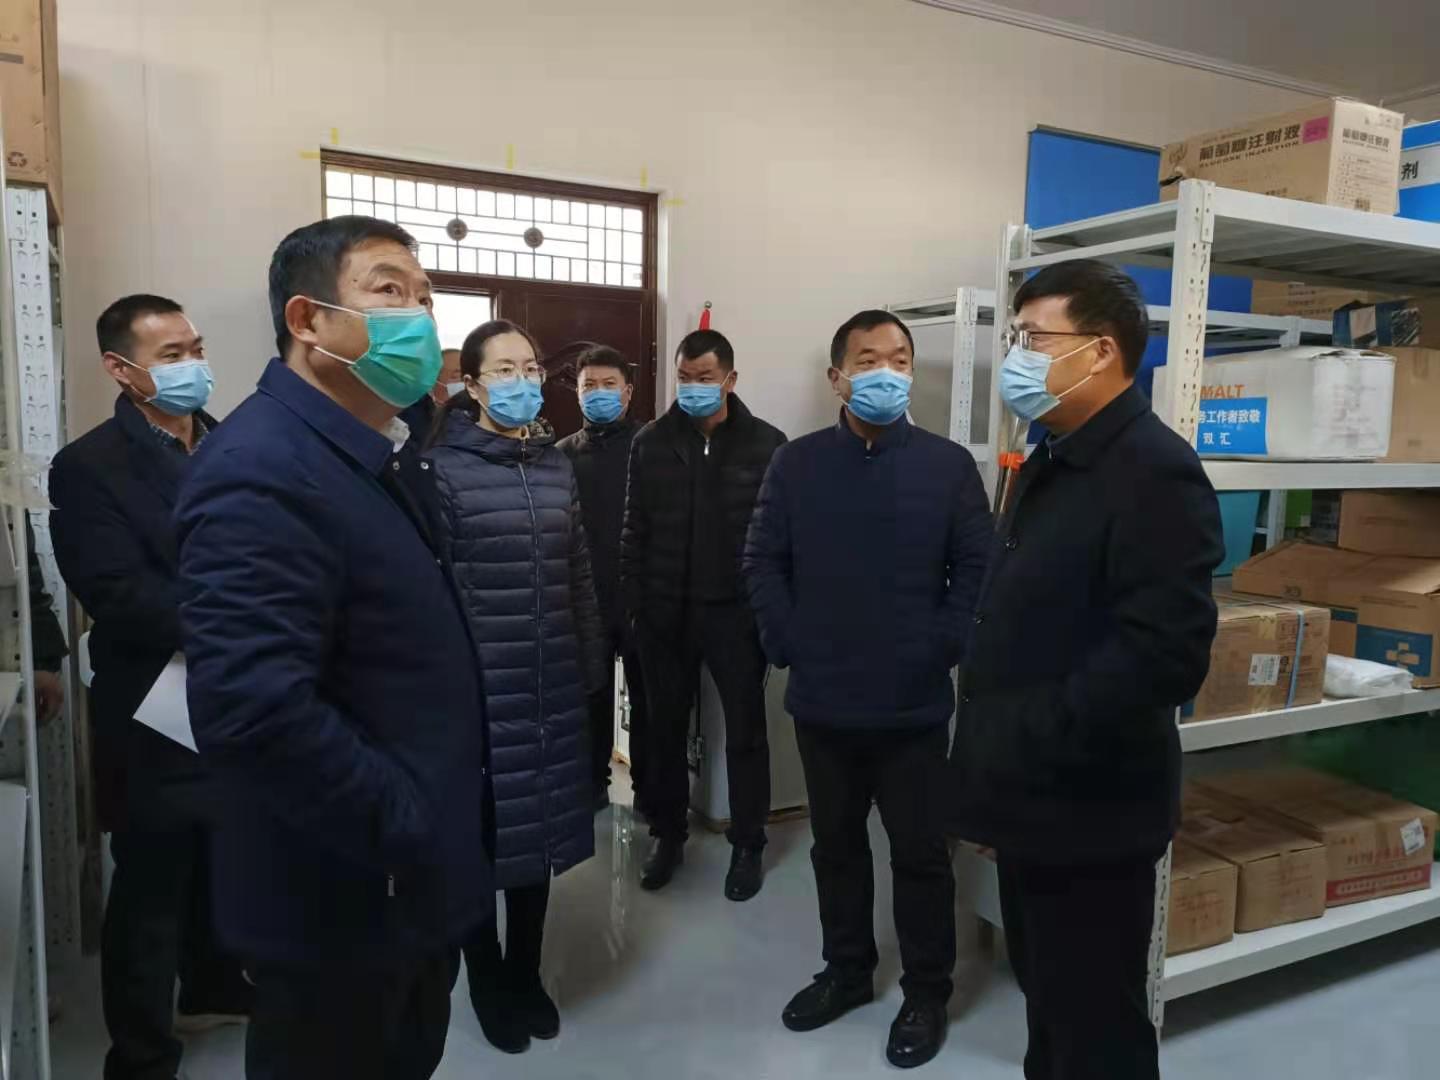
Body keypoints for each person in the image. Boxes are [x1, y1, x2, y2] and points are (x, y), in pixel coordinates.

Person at [174, 217, 492, 1080]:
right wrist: (409, 824)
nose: (419, 317)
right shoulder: (262, 467)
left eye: (426, 298)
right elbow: (254, 712)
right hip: (341, 904)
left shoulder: (367, 452)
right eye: (389, 290)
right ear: (308, 320)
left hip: (400, 892)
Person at [949, 260, 1223, 1080]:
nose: (1018, 357)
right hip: (1035, 798)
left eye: (1034, 338)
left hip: (1092, 813)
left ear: (1101, 350)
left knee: (1096, 1031)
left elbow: (1160, 658)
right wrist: (996, 783)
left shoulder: (1154, 469)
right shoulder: (1056, 457)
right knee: (1051, 1009)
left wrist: (1019, 750)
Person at [744, 310, 991, 1068]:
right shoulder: (797, 464)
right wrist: (790, 645)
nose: (887, 371)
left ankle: (926, 991)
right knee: (837, 847)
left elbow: (975, 570)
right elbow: (763, 561)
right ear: (837, 377)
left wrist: (940, 648)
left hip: (914, 705)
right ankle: (847, 970)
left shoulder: (949, 467)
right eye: (868, 359)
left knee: (919, 854)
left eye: (900, 359)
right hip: (825, 702)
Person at [49, 294, 249, 1080]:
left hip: (240, 693)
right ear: (120, 369)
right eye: (171, 355)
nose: (192, 365)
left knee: (225, 855)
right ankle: (139, 1051)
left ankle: (211, 988)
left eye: (194, 348)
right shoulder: (90, 466)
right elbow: (118, 592)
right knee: (153, 881)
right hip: (156, 699)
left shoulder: (232, 444)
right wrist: (245, 619)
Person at [426, 319, 604, 1054]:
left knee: (540, 835)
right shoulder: (440, 470)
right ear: (471, 385)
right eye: (504, 370)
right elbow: (431, 593)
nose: (522, 381)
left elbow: (578, 571)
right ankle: (487, 981)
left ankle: (525, 973)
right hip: (478, 688)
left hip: (550, 680)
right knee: (478, 843)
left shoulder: (555, 465)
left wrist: (590, 664)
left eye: (530, 367)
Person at [620, 328, 785, 900]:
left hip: (736, 616)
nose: (692, 388)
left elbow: (779, 537)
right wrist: (636, 605)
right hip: (665, 613)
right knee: (664, 729)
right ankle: (668, 835)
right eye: (684, 378)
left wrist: (768, 611)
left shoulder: (767, 444)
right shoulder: (651, 442)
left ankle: (748, 843)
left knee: (746, 733)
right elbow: (633, 529)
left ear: (730, 380)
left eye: (704, 378)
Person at [557, 343, 649, 810]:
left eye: (609, 384)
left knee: (649, 702)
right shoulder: (559, 456)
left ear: (627, 392)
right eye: (589, 385)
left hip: (640, 598)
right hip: (584, 600)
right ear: (577, 393)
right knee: (588, 698)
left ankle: (651, 793)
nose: (599, 393)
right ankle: (591, 785)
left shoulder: (651, 447)